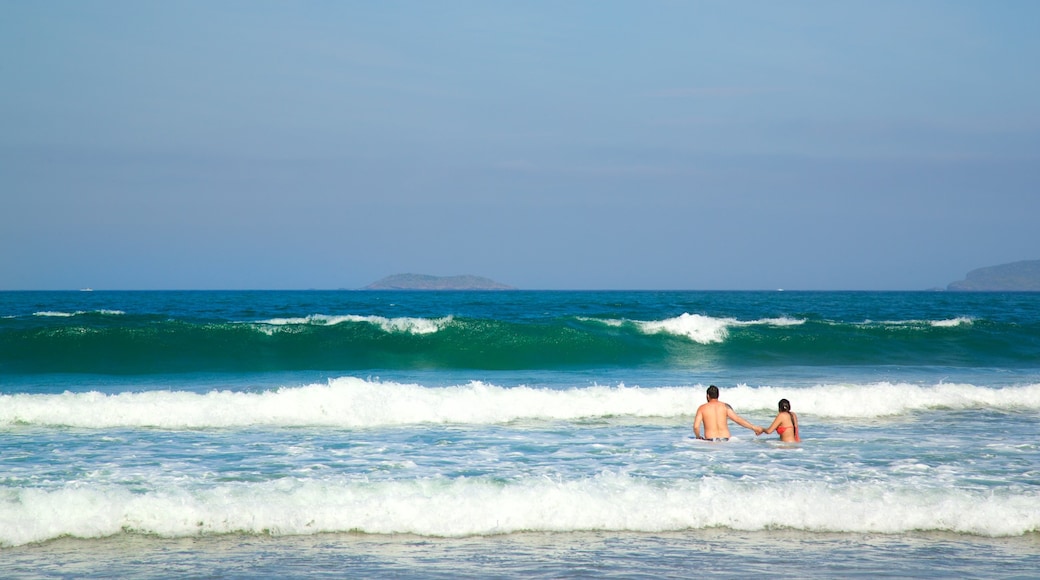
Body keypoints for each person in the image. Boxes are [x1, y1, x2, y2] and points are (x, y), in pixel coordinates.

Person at [693, 385, 763, 441]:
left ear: (708, 396)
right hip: (726, 441)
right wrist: (754, 428)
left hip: (710, 442)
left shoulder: (702, 408)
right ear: (718, 395)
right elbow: (738, 420)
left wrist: (698, 437)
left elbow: (696, 427)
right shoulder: (725, 406)